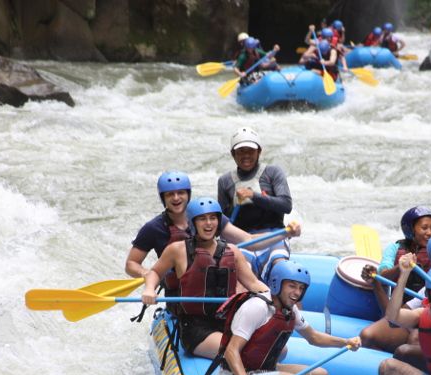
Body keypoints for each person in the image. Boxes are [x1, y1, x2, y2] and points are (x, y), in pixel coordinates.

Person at [141, 197, 270, 359]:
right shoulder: (177, 250)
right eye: (202, 219)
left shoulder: (232, 251)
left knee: (275, 349)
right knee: (248, 353)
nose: (208, 223)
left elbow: (253, 283)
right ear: (192, 223)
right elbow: (155, 273)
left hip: (228, 321)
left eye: (213, 218)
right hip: (196, 327)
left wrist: (273, 298)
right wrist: (149, 289)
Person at [217, 260, 361, 375]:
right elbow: (231, 351)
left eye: (301, 288)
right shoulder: (257, 307)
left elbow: (314, 337)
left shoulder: (290, 309)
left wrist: (345, 342)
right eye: (291, 286)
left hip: (264, 370)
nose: (297, 293)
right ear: (276, 284)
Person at [126, 170, 301, 280]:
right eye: (170, 194)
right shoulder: (154, 228)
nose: (176, 198)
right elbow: (131, 263)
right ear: (163, 198)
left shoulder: (207, 217)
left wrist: (285, 233)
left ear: (188, 194)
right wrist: (147, 274)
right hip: (181, 291)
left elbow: (249, 240)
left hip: (214, 284)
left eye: (181, 193)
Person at [218, 127, 296, 281]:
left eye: (250, 151)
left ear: (259, 152)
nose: (246, 155)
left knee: (281, 269)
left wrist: (253, 196)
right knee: (242, 270)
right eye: (241, 151)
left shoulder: (273, 172)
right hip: (243, 239)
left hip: (273, 236)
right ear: (233, 154)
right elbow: (222, 222)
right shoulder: (225, 181)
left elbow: (286, 205)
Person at [358, 207, 431, 353]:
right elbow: (382, 277)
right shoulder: (395, 248)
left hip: (428, 313)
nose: (430, 233)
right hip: (400, 313)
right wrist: (402, 267)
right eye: (424, 228)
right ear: (410, 230)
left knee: (414, 340)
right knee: (367, 336)